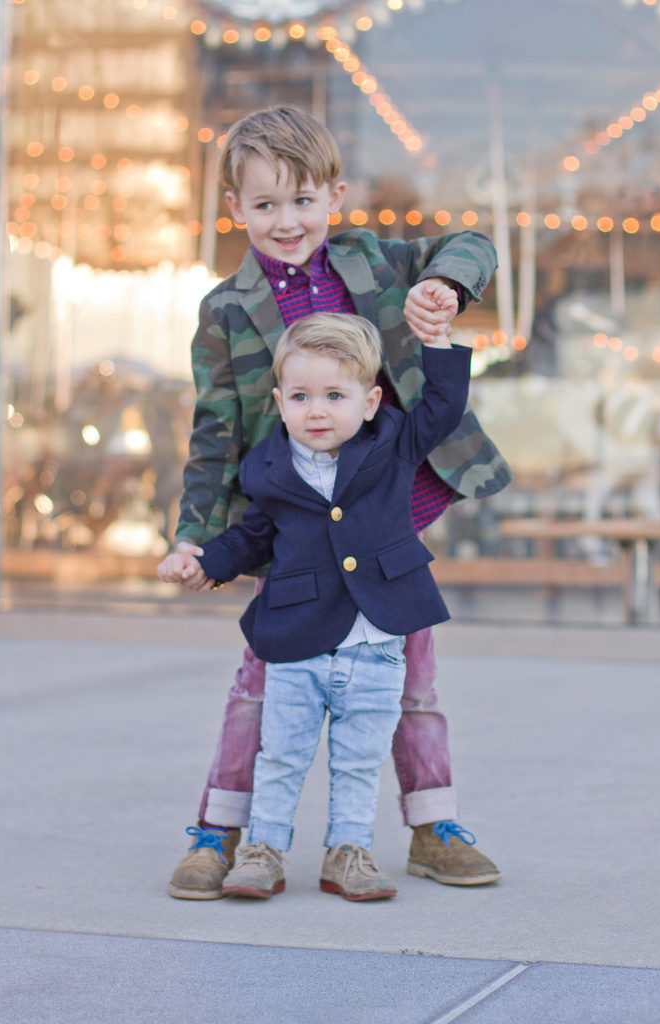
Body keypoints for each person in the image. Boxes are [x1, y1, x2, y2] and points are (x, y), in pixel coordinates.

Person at [165, 104, 512, 900]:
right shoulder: (225, 310)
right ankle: (218, 833)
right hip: (290, 518)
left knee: (408, 675)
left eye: (301, 200)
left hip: (390, 504)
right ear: (234, 210)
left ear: (334, 194)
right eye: (263, 205)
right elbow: (216, 436)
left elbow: (472, 244)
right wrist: (194, 536)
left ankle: (432, 826)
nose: (286, 221)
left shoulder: (375, 261)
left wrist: (442, 284)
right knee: (261, 679)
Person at [158, 312, 473, 899]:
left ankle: (348, 852)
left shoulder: (394, 443)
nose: (318, 411)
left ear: (371, 400)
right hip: (297, 639)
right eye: (301, 396)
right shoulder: (267, 466)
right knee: (281, 755)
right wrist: (205, 561)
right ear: (279, 402)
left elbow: (445, 405)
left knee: (358, 760)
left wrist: (437, 342)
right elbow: (253, 536)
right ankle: (264, 849)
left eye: (335, 395)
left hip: (377, 643)